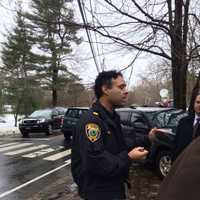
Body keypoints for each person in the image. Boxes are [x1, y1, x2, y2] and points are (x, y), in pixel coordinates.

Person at [71, 70, 159, 200]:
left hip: (114, 187)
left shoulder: (112, 117)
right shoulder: (92, 121)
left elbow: (123, 144)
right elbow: (97, 162)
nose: (126, 91)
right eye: (121, 87)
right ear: (106, 89)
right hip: (98, 193)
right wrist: (129, 158)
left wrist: (148, 138)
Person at [173, 90, 200, 159]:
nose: (199, 105)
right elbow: (176, 144)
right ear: (194, 103)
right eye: (198, 102)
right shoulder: (183, 122)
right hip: (181, 164)